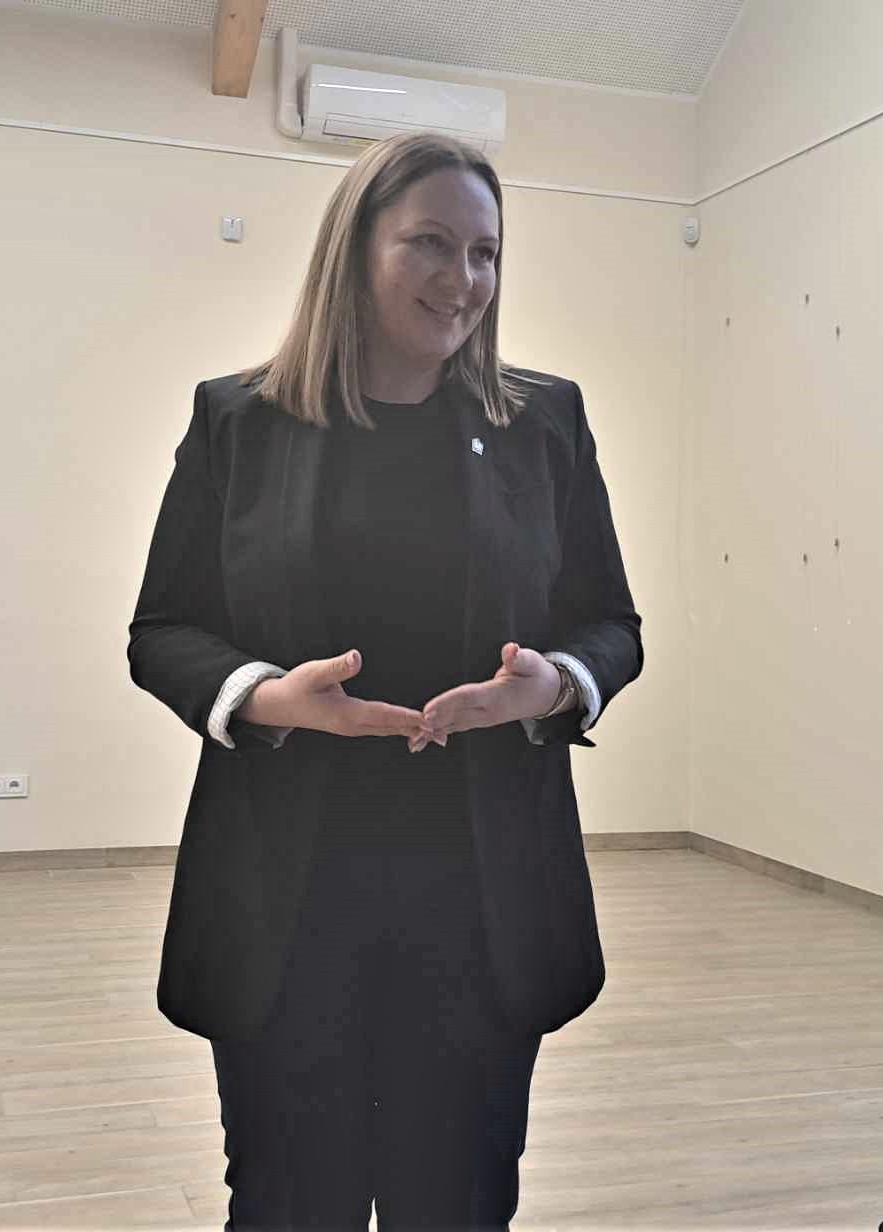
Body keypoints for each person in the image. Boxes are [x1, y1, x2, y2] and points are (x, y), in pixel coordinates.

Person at [127, 130, 643, 1231]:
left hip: (481, 898)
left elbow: (610, 624)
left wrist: (554, 683)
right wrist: (268, 697)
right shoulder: (239, 419)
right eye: (430, 244)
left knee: (456, 1203)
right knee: (287, 1203)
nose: (464, 279)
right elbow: (163, 629)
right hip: (288, 899)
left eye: (485, 252)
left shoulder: (542, 421)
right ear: (354, 250)